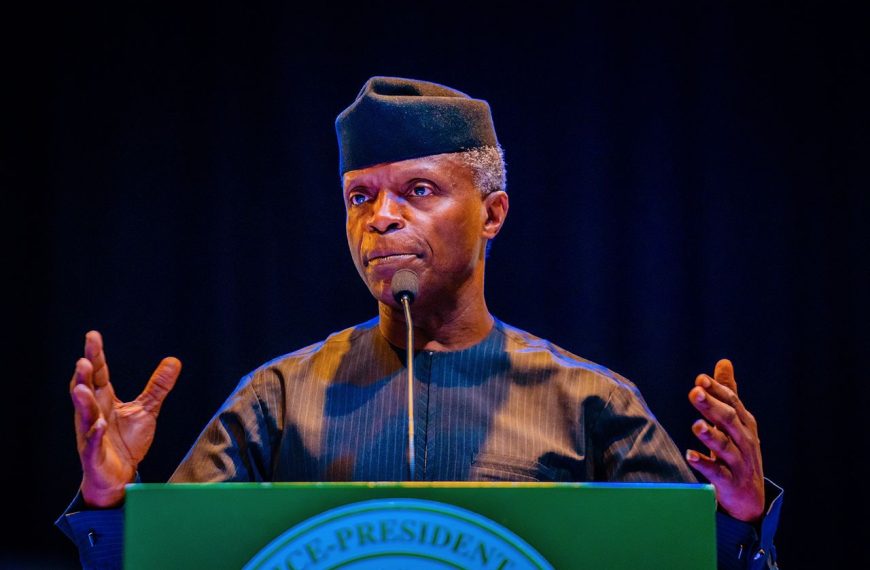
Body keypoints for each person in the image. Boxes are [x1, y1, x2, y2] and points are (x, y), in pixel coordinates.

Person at [57, 76, 782, 569]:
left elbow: (682, 559)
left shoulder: (592, 405)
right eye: (358, 196)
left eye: (419, 189)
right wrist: (114, 502)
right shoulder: (277, 400)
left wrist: (740, 520)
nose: (382, 218)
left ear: (492, 212)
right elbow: (181, 561)